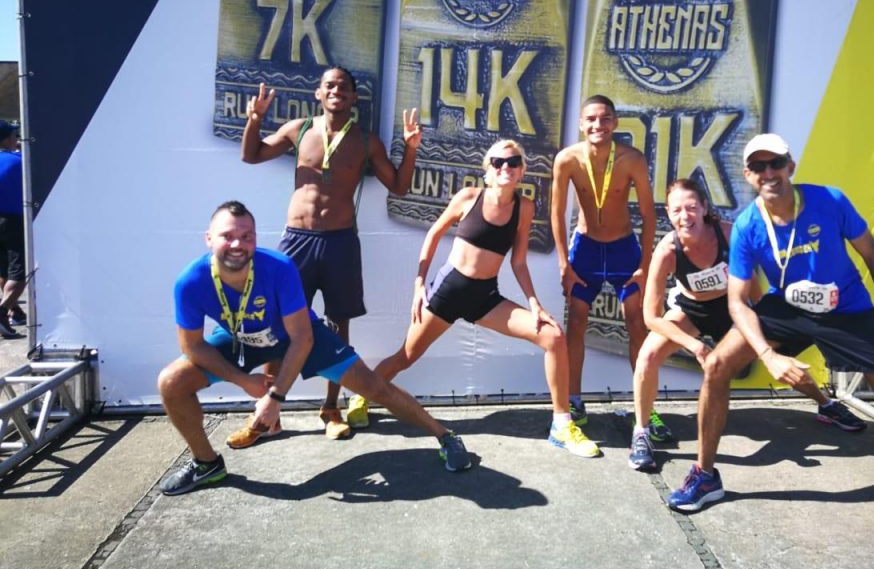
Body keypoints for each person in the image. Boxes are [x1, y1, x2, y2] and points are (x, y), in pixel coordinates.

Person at [664, 133, 874, 512]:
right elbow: (737, 301)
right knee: (716, 365)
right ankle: (705, 475)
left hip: (847, 311)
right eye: (759, 166)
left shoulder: (829, 200)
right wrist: (768, 355)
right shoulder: (748, 226)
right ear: (748, 175)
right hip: (788, 310)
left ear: (790, 166)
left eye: (776, 163)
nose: (769, 173)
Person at [157, 201, 470, 496]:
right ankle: (206, 463)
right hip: (242, 339)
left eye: (246, 236)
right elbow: (193, 345)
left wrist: (274, 397)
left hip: (299, 337)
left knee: (376, 388)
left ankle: (445, 435)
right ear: (209, 239)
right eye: (227, 236)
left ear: (255, 239)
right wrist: (244, 382)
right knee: (171, 382)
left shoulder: (279, 267)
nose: (238, 244)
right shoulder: (190, 282)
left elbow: (302, 338)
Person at [373, 140, 598, 457]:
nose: (505, 167)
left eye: (512, 162)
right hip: (448, 291)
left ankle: (561, 425)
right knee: (405, 358)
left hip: (485, 297)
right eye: (498, 162)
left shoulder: (525, 208)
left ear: (521, 170)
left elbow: (518, 262)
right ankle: (363, 392)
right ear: (488, 170)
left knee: (553, 336)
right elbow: (434, 234)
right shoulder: (469, 197)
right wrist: (419, 283)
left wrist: (534, 303)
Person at [627, 179, 865, 471]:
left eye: (691, 207)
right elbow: (651, 317)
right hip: (692, 310)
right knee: (648, 355)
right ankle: (641, 432)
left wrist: (766, 326)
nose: (684, 216)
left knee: (775, 358)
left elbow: (753, 283)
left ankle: (826, 405)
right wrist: (695, 345)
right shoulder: (667, 251)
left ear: (704, 208)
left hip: (733, 308)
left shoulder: (728, 234)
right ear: (668, 212)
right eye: (677, 210)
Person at [239, 66, 420, 444]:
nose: (336, 91)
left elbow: (400, 187)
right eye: (329, 86)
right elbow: (251, 155)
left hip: (339, 242)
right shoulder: (298, 129)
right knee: (279, 326)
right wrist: (255, 120)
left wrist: (411, 147)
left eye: (344, 87)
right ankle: (267, 414)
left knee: (339, 327)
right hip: (297, 241)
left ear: (354, 98)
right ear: (318, 94)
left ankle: (331, 408)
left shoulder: (366, 141)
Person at [551, 95, 656, 427]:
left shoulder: (632, 159)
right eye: (592, 119)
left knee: (638, 323)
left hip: (624, 249)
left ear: (616, 123)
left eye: (606, 118)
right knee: (576, 324)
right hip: (586, 250)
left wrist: (645, 264)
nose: (599, 125)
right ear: (582, 124)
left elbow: (649, 214)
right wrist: (564, 263)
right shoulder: (567, 159)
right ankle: (575, 401)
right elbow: (555, 212)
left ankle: (647, 408)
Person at [0, 120, 25, 338]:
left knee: (4, 270)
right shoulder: (19, 160)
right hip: (14, 220)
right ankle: (3, 310)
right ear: (8, 138)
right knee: (19, 271)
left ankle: (14, 312)